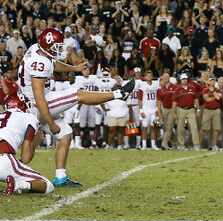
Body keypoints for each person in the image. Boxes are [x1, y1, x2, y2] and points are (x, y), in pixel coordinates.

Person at [18, 28, 135, 186]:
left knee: (64, 134)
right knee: (77, 94)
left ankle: (58, 177)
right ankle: (119, 94)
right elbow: (39, 97)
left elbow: (53, 64)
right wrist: (51, 123)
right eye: (57, 45)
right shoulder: (40, 62)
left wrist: (74, 69)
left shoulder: (37, 50)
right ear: (48, 44)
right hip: (35, 105)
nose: (60, 48)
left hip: (34, 103)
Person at [0, 101, 55, 195]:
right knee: (48, 185)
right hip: (3, 158)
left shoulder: (2, 115)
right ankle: (19, 185)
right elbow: (25, 158)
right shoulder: (30, 117)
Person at [174, 72, 200, 150]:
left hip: (191, 109)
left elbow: (196, 100)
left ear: (187, 80)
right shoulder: (177, 89)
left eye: (185, 79)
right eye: (183, 79)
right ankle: (181, 145)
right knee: (180, 128)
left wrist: (198, 109)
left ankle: (196, 145)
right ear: (180, 80)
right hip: (181, 109)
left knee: (194, 127)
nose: (184, 80)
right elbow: (174, 102)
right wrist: (174, 113)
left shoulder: (192, 88)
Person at [138, 70, 160, 150]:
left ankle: (153, 145)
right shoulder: (142, 85)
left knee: (153, 127)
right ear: (145, 77)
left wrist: (157, 109)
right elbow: (139, 99)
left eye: (151, 75)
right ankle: (144, 145)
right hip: (145, 109)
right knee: (144, 127)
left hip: (153, 109)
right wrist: (141, 111)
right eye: (148, 75)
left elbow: (158, 98)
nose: (149, 77)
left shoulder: (156, 84)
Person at [201, 78, 223, 150]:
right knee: (204, 128)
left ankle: (214, 145)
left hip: (216, 110)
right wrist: (214, 96)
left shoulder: (217, 89)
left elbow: (219, 98)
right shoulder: (205, 90)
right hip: (207, 110)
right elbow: (207, 99)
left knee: (216, 129)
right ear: (208, 82)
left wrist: (213, 92)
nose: (212, 82)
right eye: (211, 81)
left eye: (213, 81)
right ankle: (198, 145)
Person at [157, 73, 177, 149]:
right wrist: (160, 114)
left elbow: (176, 100)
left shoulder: (175, 87)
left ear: (169, 78)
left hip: (172, 109)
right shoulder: (160, 90)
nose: (165, 78)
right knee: (166, 128)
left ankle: (164, 144)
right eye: (164, 77)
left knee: (169, 127)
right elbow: (158, 103)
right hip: (164, 109)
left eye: (167, 77)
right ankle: (174, 142)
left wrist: (174, 111)